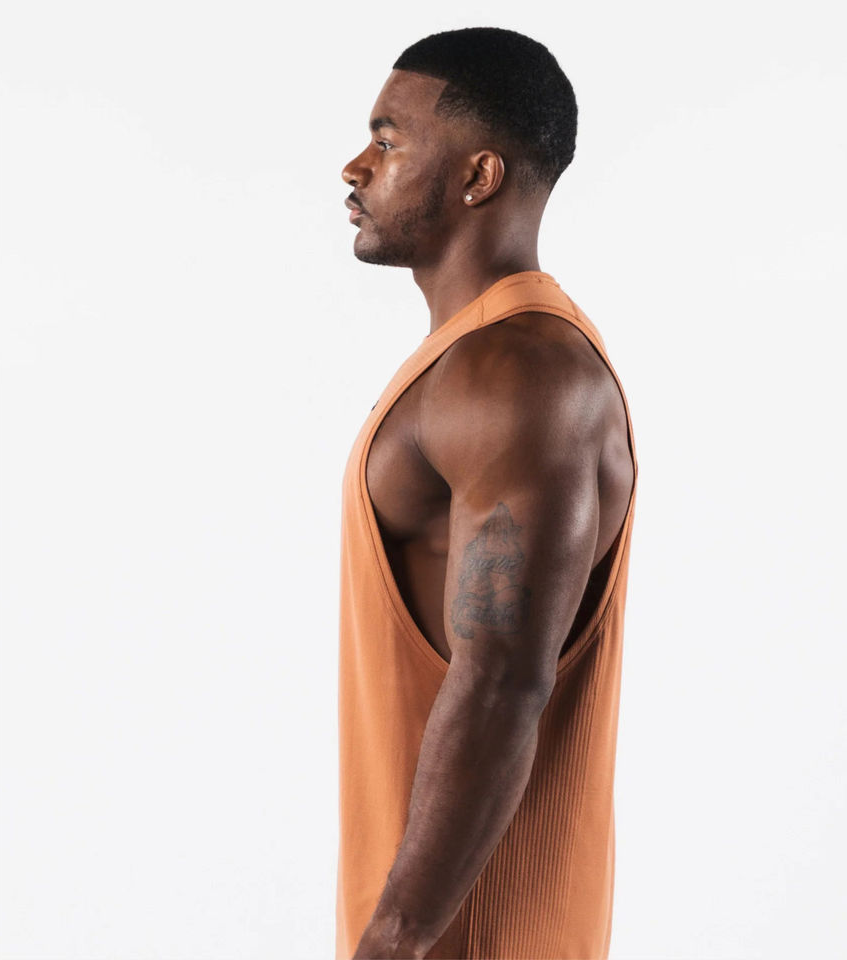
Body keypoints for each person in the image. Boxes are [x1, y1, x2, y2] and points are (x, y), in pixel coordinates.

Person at [336, 26, 638, 960]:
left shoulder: (519, 374)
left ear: (479, 176)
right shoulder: (474, 360)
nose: (355, 167)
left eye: (387, 141)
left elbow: (503, 679)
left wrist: (394, 942)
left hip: (464, 936)